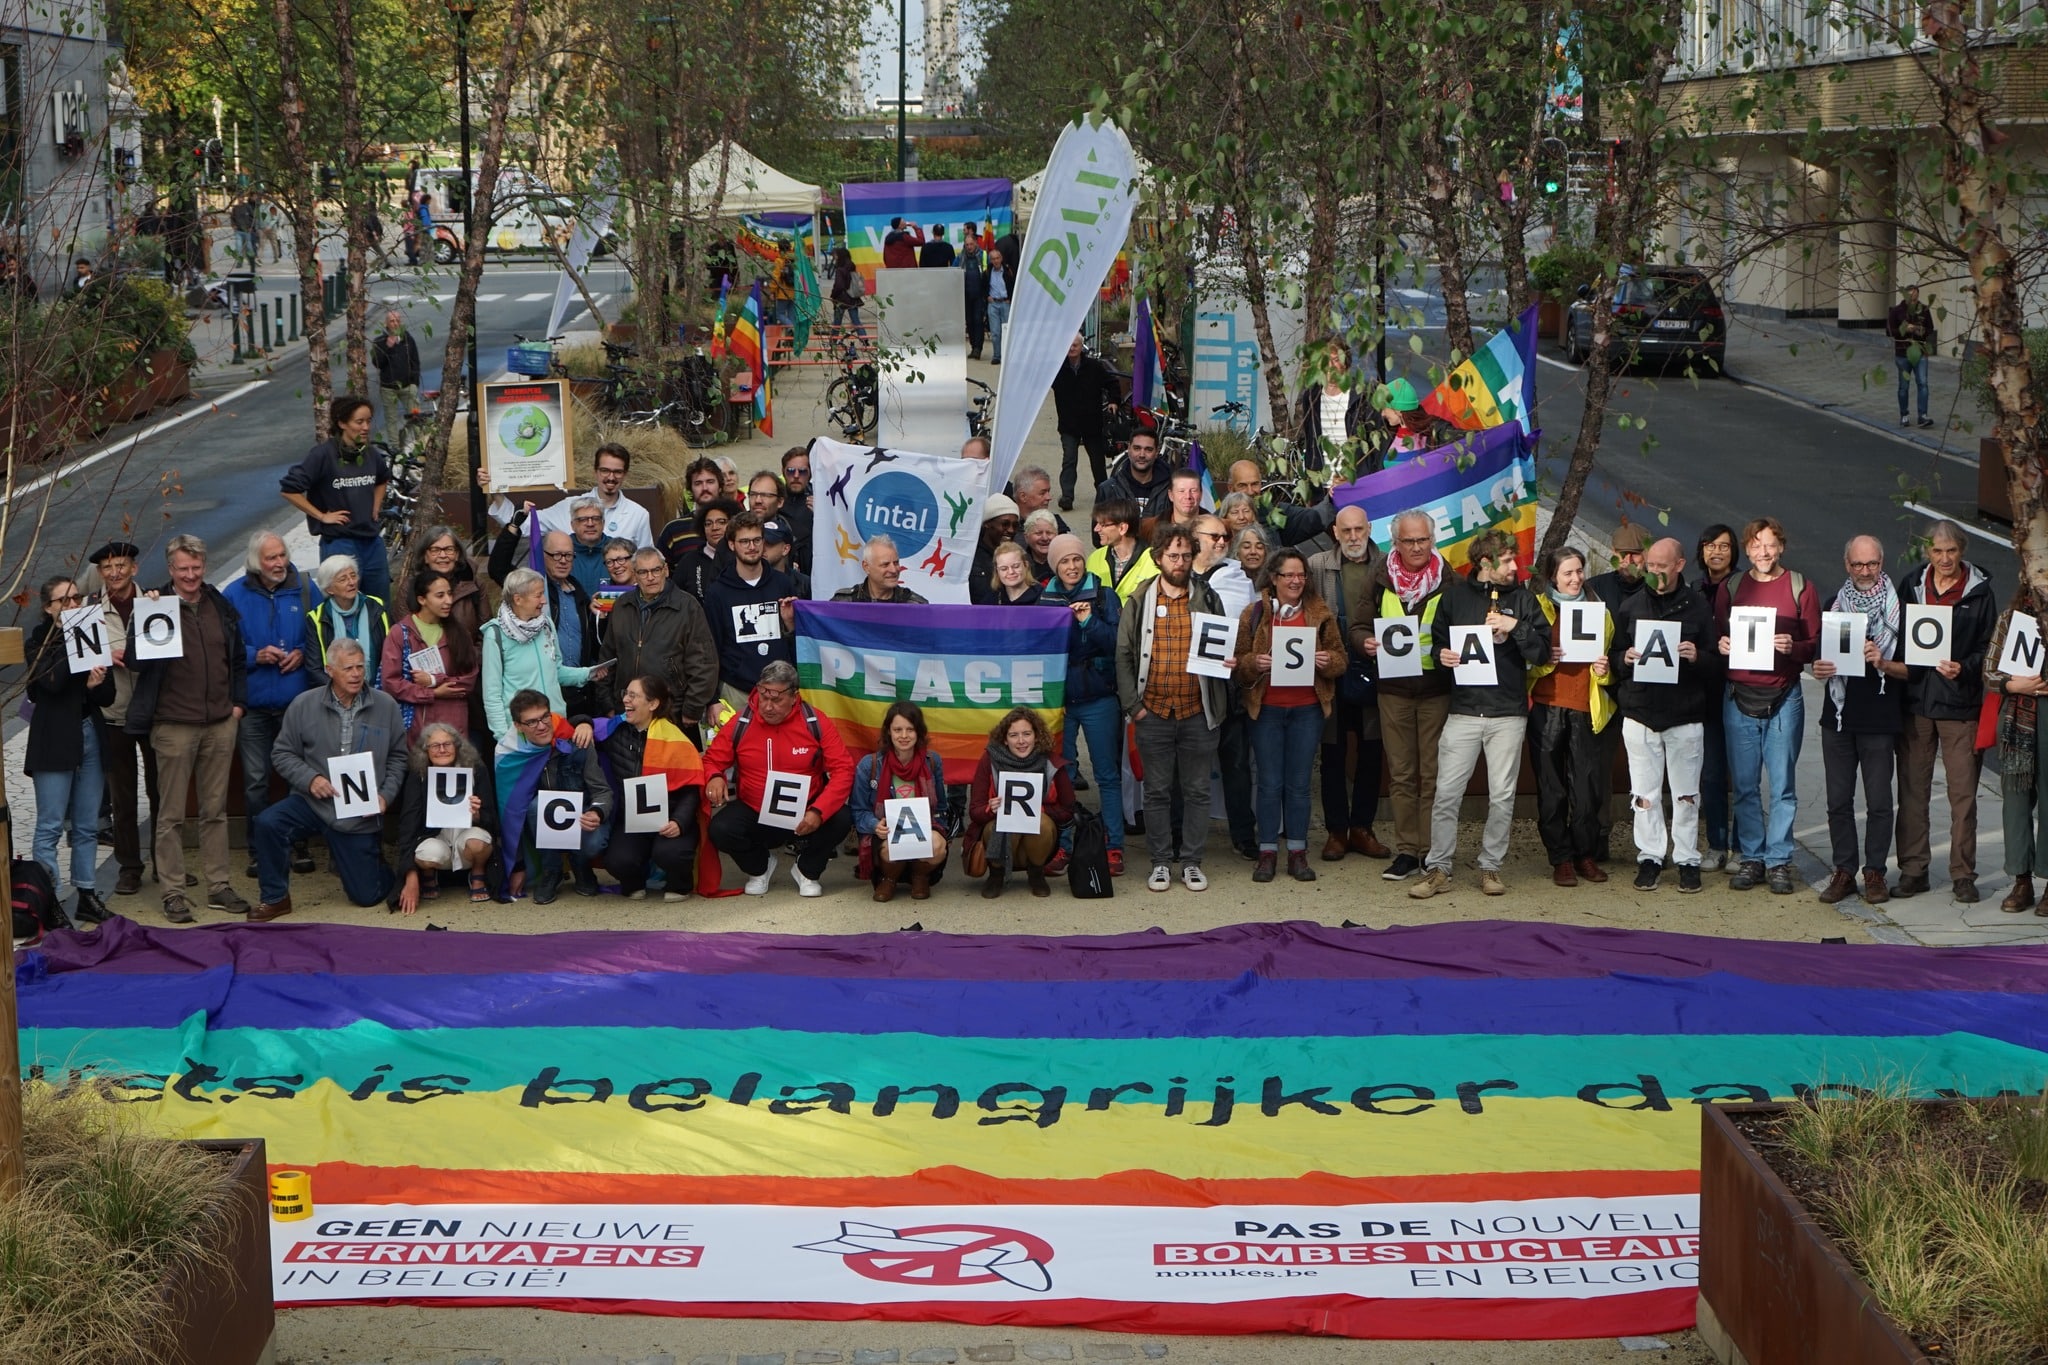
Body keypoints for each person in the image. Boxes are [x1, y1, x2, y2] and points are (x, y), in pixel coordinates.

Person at [1406, 529, 1546, 900]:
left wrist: (1515, 626)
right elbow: (1436, 642)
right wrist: (1442, 656)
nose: (1515, 567)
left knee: (1502, 795)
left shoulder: (1525, 599)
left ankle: (1490, 867)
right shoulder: (1453, 598)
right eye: (1507, 561)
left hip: (1508, 714)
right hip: (1464, 711)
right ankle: (1439, 868)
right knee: (1447, 793)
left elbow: (1543, 652)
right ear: (1485, 563)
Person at [126, 535, 252, 923]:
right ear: (171, 570)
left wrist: (237, 706)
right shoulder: (153, 606)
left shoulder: (218, 604)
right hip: (173, 725)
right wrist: (143, 617)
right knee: (171, 815)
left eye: (196, 567)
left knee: (215, 811)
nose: (191, 574)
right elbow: (134, 661)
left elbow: (237, 657)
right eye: (183, 568)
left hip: (219, 723)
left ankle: (218, 886)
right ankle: (173, 892)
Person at [249, 639, 406, 921]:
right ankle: (275, 898)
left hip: (360, 809)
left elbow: (398, 757)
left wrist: (385, 795)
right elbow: (282, 752)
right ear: (329, 670)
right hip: (312, 801)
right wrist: (310, 779)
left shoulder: (386, 706)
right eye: (348, 668)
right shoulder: (303, 704)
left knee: (367, 897)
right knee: (268, 822)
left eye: (361, 667)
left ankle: (376, 863)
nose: (357, 674)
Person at [1117, 526, 1233, 893]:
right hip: (1152, 712)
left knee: (1198, 790)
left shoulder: (1208, 596)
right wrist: (1134, 708)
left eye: (1185, 555)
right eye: (1173, 555)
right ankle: (1161, 862)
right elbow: (1123, 655)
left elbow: (1223, 642)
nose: (1180, 562)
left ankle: (1193, 862)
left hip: (1198, 711)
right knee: (1156, 792)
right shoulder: (1139, 599)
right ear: (1158, 558)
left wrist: (1227, 662)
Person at [1716, 516, 1821, 894]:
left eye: (1770, 544)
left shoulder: (1800, 587)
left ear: (1782, 547)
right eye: (1757, 545)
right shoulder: (1732, 587)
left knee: (1782, 787)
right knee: (1744, 786)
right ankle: (1751, 858)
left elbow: (1815, 644)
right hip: (1739, 695)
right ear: (1747, 550)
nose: (1763, 551)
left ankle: (1779, 860)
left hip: (1783, 696)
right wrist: (1721, 645)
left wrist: (1794, 648)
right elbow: (1716, 634)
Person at [1894, 519, 1995, 902]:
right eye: (1937, 551)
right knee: (1913, 791)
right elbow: (1898, 637)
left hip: (1960, 704)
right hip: (1918, 702)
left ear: (1962, 551)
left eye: (1951, 550)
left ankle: (1963, 875)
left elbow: (1989, 646)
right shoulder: (1912, 585)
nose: (1945, 558)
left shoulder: (1980, 591)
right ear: (1928, 553)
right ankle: (1914, 870)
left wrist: (1965, 668)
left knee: (1963, 795)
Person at [1235, 549, 1346, 883]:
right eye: (1289, 575)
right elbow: (1239, 662)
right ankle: (1267, 850)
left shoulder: (1320, 612)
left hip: (1307, 709)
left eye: (1301, 575)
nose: (1297, 581)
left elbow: (1341, 660)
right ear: (1274, 578)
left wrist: (1329, 662)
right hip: (1267, 708)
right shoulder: (1254, 613)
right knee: (1269, 783)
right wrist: (1254, 663)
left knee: (1298, 784)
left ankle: (1297, 851)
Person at [1612, 537, 1715, 894]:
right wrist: (1623, 659)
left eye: (1662, 566)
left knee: (1687, 793)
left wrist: (1697, 657)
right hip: (1640, 712)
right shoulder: (1631, 606)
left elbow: (1717, 660)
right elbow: (1613, 656)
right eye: (1650, 565)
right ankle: (1651, 856)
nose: (1655, 571)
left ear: (1680, 565)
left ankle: (1687, 858)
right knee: (1644, 793)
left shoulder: (1698, 607)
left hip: (1684, 714)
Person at [1355, 509, 1453, 881]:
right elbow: (1361, 624)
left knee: (1432, 774)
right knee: (1401, 774)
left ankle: (1431, 850)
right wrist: (1363, 642)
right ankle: (1407, 851)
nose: (1416, 547)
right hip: (1393, 690)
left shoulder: (1450, 579)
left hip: (1436, 690)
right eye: (1408, 541)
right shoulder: (1378, 577)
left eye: (1422, 540)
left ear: (1433, 539)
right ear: (1395, 543)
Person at [702, 661, 855, 897]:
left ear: (795, 696)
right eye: (763, 697)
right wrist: (714, 777)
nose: (767, 706)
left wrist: (818, 811)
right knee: (721, 829)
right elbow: (711, 760)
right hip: (756, 810)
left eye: (776, 700)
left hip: (806, 813)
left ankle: (807, 870)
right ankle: (760, 867)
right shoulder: (742, 721)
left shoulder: (815, 721)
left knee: (843, 817)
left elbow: (843, 770)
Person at [1811, 535, 1908, 907]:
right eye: (1857, 565)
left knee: (1880, 801)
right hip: (1838, 716)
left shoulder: (1899, 608)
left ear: (1882, 563)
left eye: (1872, 564)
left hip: (1880, 717)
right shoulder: (1834, 606)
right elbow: (1822, 659)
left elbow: (1913, 669)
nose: (1865, 572)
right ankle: (1844, 871)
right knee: (1838, 801)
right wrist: (1818, 669)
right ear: (1846, 565)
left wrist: (1883, 663)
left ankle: (1876, 871)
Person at [222, 531, 322, 880]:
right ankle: (258, 848)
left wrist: (301, 653)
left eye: (282, 555)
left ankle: (298, 842)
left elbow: (324, 635)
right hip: (254, 705)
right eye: (271, 558)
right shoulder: (234, 595)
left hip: (297, 703)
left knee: (298, 777)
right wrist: (255, 655)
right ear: (255, 561)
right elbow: (223, 646)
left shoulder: (306, 588)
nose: (279, 563)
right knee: (255, 781)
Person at [23, 577, 115, 926]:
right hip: (54, 739)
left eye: (77, 598)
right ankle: (49, 900)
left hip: (88, 732)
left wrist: (94, 686)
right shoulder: (38, 642)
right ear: (49, 608)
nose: (74, 605)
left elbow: (107, 695)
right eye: (65, 601)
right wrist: (69, 641)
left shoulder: (92, 634)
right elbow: (50, 684)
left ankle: (87, 894)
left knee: (87, 823)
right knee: (49, 826)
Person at [1526, 546, 1615, 886]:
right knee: (1552, 787)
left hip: (1585, 706)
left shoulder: (1599, 611)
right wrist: (1545, 658)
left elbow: (1609, 666)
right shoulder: (1538, 610)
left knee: (1586, 787)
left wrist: (1604, 671)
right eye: (1568, 573)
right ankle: (1560, 857)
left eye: (1579, 571)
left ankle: (1585, 854)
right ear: (1553, 577)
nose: (1576, 578)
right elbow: (1526, 662)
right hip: (1547, 706)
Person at [1039, 533, 1125, 876]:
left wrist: (1089, 621)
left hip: (1099, 697)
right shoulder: (1044, 600)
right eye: (1064, 561)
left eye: (1077, 559)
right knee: (1060, 775)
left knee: (1107, 775)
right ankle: (1063, 845)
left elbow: (1120, 644)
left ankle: (1114, 845)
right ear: (1054, 566)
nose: (1072, 566)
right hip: (1059, 701)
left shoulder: (1104, 596)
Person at [1308, 505, 1387, 862]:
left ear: (1369, 528)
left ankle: (1363, 828)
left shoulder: (1388, 563)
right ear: (1335, 533)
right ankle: (1337, 831)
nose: (1354, 537)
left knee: (1372, 751)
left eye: (1359, 529)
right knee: (1333, 753)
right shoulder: (1318, 565)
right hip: (1331, 671)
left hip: (1376, 667)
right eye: (1346, 531)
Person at [80, 541, 155, 898]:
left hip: (154, 711)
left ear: (134, 569)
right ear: (100, 573)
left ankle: (165, 863)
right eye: (107, 567)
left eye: (121, 565)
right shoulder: (88, 610)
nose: (115, 573)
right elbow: (78, 657)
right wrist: (106, 654)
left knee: (162, 793)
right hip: (112, 715)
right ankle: (129, 868)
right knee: (123, 799)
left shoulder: (155, 604)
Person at [498, 688, 610, 903]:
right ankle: (552, 870)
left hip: (583, 817)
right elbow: (509, 810)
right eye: (531, 722)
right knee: (534, 806)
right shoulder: (511, 754)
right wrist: (518, 865)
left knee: (594, 843)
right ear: (518, 726)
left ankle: (581, 865)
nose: (541, 726)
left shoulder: (577, 742)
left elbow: (602, 791)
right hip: (540, 824)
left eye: (544, 717)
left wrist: (597, 811)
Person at [602, 674, 706, 902]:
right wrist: (581, 723)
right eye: (625, 694)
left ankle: (680, 885)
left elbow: (691, 789)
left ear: (653, 704)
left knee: (671, 854)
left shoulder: (677, 740)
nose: (626, 700)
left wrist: (679, 822)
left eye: (633, 695)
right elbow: (580, 728)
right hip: (631, 818)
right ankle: (634, 883)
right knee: (617, 860)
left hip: (670, 816)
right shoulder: (615, 730)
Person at [280, 395, 392, 605]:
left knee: (379, 605)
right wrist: (321, 516)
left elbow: (382, 478)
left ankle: (380, 639)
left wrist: (376, 506)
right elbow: (288, 489)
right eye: (359, 422)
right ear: (342, 423)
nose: (366, 427)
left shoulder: (370, 454)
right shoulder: (323, 455)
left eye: (368, 421)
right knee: (344, 605)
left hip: (372, 541)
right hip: (340, 543)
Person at [967, 707, 1076, 899]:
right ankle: (996, 874)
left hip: (1037, 840)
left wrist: (1040, 809)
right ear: (1004, 739)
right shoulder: (989, 760)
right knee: (1008, 821)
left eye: (1027, 734)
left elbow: (1068, 810)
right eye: (1014, 735)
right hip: (1000, 833)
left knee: (1040, 822)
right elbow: (974, 811)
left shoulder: (1050, 761)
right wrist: (990, 809)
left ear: (1036, 735)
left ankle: (1036, 873)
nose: (1021, 741)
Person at [481, 568, 603, 739]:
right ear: (518, 599)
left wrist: (588, 673)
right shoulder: (495, 634)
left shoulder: (546, 625)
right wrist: (503, 737)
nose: (544, 601)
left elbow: (556, 671)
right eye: (538, 595)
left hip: (556, 724)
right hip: (521, 733)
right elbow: (491, 694)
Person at [603, 549, 719, 726]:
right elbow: (608, 658)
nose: (651, 577)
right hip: (627, 709)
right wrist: (607, 704)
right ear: (634, 575)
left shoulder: (687, 607)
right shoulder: (622, 605)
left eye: (656, 570)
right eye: (643, 572)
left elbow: (704, 663)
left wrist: (692, 709)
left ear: (666, 570)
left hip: (671, 710)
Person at [1986, 585, 2048, 913]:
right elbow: (1989, 671)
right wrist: (2013, 684)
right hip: (2017, 717)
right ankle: (2021, 880)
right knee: (2015, 799)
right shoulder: (2012, 618)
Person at [851, 700, 951, 901]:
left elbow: (940, 806)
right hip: (887, 834)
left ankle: (920, 876)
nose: (904, 736)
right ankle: (889, 878)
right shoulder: (869, 765)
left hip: (924, 828)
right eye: (897, 729)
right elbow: (857, 810)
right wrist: (874, 825)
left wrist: (937, 827)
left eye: (910, 730)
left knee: (938, 845)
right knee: (890, 847)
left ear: (919, 732)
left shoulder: (932, 761)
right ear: (888, 732)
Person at [392, 723, 495, 911]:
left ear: (457, 746)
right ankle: (429, 874)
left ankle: (478, 872)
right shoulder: (419, 774)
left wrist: (477, 813)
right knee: (427, 854)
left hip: (468, 840)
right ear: (426, 751)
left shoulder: (476, 770)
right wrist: (410, 874)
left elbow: (493, 820)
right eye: (435, 746)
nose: (442, 750)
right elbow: (408, 823)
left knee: (477, 842)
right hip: (435, 839)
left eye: (447, 744)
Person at [703, 511, 799, 711]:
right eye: (744, 541)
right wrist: (711, 700)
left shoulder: (782, 583)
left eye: (757, 540)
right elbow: (710, 649)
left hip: (780, 691)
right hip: (736, 692)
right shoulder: (717, 592)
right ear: (732, 545)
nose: (752, 547)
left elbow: (798, 643)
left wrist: (791, 624)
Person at [381, 570, 479, 742]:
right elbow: (390, 682)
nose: (448, 601)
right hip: (418, 724)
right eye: (440, 595)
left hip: (454, 722)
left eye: (449, 594)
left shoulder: (459, 632)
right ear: (422, 599)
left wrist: (434, 681)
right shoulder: (400, 633)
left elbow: (469, 679)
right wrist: (432, 693)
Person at [1695, 523, 1739, 869]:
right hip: (1705, 692)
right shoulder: (1694, 591)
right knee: (1710, 773)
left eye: (1724, 546)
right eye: (1711, 545)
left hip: (1740, 688)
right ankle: (1716, 845)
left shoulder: (1744, 586)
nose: (1717, 551)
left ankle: (1743, 846)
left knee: (1742, 774)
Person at [1050, 336, 1121, 510]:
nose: (1072, 348)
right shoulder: (1057, 368)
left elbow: (1112, 383)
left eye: (1075, 345)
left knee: (1097, 460)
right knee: (1069, 458)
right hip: (1068, 423)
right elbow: (1039, 383)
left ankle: (1103, 495)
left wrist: (1114, 401)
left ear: (1082, 347)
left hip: (1092, 423)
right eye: (1068, 345)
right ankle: (1067, 496)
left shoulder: (1094, 367)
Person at [404, 524, 494, 649]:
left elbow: (487, 632)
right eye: (435, 550)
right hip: (425, 665)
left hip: (467, 663)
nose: (442, 555)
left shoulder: (475, 586)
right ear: (425, 556)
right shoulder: (410, 587)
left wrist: (470, 660)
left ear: (457, 554)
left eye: (449, 549)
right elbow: (405, 635)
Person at [306, 554, 388, 689]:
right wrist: (340, 691)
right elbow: (314, 668)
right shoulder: (317, 618)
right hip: (338, 695)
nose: (351, 582)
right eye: (343, 579)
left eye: (353, 576)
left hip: (377, 691)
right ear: (329, 589)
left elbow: (390, 654)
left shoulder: (376, 607)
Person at [1223, 460, 1337, 549]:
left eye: (1255, 484)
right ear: (1230, 488)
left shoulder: (1276, 516)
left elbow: (1314, 518)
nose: (1250, 491)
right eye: (1242, 485)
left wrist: (1335, 496)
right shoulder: (1217, 523)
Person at [1294, 336, 1367, 473]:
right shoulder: (1311, 397)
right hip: (1321, 485)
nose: (1331, 366)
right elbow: (1311, 441)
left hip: (1354, 484)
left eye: (1336, 360)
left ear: (1346, 363)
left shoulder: (1361, 397)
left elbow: (1369, 449)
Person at [1086, 499, 1159, 602]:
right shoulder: (1094, 558)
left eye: (1102, 524)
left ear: (1122, 528)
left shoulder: (1154, 559)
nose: (1096, 529)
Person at [1887, 284, 1937, 428]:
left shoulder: (1924, 310)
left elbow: (1930, 329)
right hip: (1903, 353)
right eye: (1910, 294)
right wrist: (1904, 329)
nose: (1913, 297)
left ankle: (1923, 416)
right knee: (1903, 386)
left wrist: (1918, 329)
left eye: (1915, 294)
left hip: (1920, 352)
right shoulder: (1897, 311)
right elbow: (1890, 331)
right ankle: (1904, 415)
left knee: (1923, 383)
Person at [370, 310, 422, 449]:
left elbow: (415, 360)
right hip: (388, 388)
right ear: (386, 324)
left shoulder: (407, 339)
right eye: (392, 321)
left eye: (398, 320)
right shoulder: (379, 341)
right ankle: (395, 447)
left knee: (416, 415)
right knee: (391, 419)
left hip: (407, 386)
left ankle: (419, 442)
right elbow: (377, 363)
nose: (395, 323)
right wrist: (388, 347)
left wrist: (414, 382)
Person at [1095, 427, 1171, 516]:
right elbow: (1098, 528)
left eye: (1148, 449)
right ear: (1129, 449)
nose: (1142, 455)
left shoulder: (1172, 489)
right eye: (1137, 448)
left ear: (1157, 452)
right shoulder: (1108, 489)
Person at [832, 535, 928, 604]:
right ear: (866, 567)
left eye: (896, 563)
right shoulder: (844, 603)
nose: (894, 570)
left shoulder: (916, 606)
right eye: (885, 564)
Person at [1199, 516, 1255, 620]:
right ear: (1195, 537)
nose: (1221, 542)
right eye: (1215, 536)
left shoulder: (1239, 579)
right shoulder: (1178, 570)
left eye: (1226, 537)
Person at [970, 495, 1023, 604]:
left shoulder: (1021, 556)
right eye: (1005, 524)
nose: (1011, 530)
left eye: (1015, 525)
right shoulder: (970, 557)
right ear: (987, 524)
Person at [961, 232, 990, 360]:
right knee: (970, 322)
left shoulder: (984, 255)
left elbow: (989, 274)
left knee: (978, 321)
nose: (969, 247)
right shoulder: (961, 257)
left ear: (976, 243)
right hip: (966, 295)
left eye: (971, 244)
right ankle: (973, 347)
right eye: (967, 244)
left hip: (979, 295)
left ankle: (978, 348)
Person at [829, 246, 865, 334]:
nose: (834, 258)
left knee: (837, 322)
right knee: (856, 321)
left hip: (841, 298)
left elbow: (839, 286)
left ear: (840, 256)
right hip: (852, 297)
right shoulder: (851, 266)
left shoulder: (840, 270)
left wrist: (833, 295)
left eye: (835, 255)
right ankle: (865, 341)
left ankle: (833, 342)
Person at [986, 246, 1010, 364]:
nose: (995, 261)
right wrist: (987, 296)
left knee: (1006, 331)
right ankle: (997, 356)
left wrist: (1010, 298)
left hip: (1005, 303)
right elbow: (983, 286)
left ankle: (1006, 355)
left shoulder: (1008, 271)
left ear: (1001, 258)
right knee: (995, 332)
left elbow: (1014, 284)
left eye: (997, 258)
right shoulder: (988, 272)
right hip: (993, 304)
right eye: (993, 259)